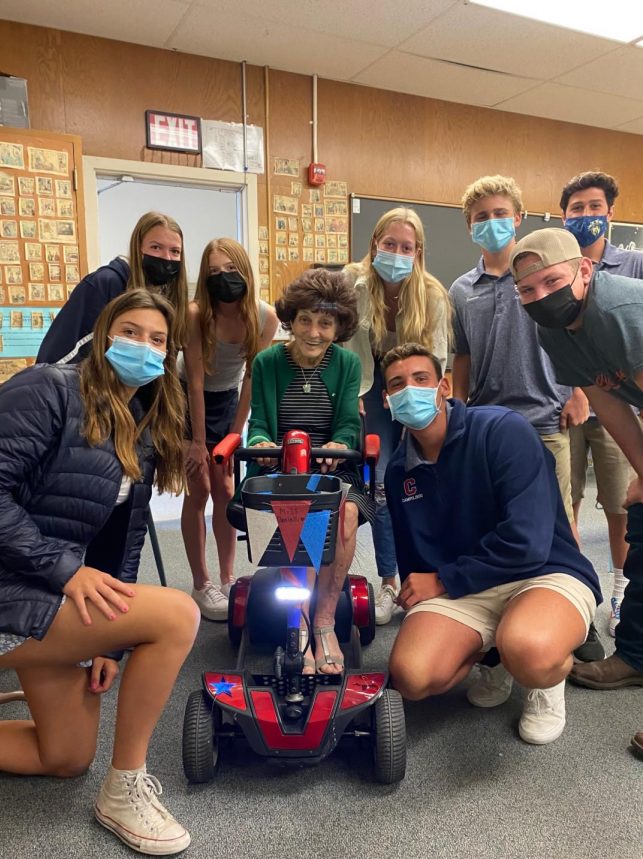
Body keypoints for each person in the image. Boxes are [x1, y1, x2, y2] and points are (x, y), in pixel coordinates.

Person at [0, 289, 200, 854]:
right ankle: (122, 794)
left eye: (157, 340)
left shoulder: (138, 423)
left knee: (64, 756)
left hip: (34, 591)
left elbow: (123, 538)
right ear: (102, 336)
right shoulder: (46, 388)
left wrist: (110, 645)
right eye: (130, 331)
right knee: (177, 616)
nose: (142, 347)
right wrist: (65, 571)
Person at [383, 343, 601, 745]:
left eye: (420, 379)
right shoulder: (399, 473)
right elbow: (417, 560)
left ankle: (542, 679)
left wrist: (445, 579)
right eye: (397, 384)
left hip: (542, 571)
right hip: (470, 588)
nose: (408, 390)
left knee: (530, 649)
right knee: (412, 676)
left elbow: (529, 542)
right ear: (387, 399)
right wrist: (425, 593)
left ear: (443, 387)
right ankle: (496, 656)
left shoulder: (502, 430)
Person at [449, 174, 601, 700]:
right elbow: (461, 355)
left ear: (518, 217)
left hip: (546, 419)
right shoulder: (460, 290)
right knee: (495, 530)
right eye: (479, 218)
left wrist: (577, 391)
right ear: (469, 228)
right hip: (488, 429)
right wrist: (461, 409)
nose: (491, 224)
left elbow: (570, 329)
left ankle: (569, 624)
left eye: (499, 214)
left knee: (562, 527)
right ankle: (497, 648)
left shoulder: (542, 276)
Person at [510, 227, 643, 755]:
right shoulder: (556, 328)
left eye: (552, 281)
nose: (541, 297)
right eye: (528, 291)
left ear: (585, 271)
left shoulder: (620, 314)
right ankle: (635, 654)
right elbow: (607, 402)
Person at [246, 268, 373, 674]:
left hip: (334, 472)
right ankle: (296, 621)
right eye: (305, 320)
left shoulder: (348, 363)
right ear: (291, 320)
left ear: (338, 327)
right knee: (296, 516)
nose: (314, 332)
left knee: (345, 515)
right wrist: (263, 442)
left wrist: (339, 443)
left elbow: (348, 426)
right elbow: (260, 421)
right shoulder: (267, 360)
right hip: (281, 470)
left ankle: (323, 621)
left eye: (325, 323)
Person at [344, 208, 450, 626]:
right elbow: (335, 341)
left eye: (407, 247)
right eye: (389, 244)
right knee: (382, 480)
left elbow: (438, 357)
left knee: (428, 477)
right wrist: (349, 392)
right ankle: (390, 582)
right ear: (374, 244)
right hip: (367, 388)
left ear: (418, 252)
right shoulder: (351, 283)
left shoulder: (433, 294)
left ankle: (437, 576)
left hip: (411, 385)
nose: (397, 253)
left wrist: (424, 402)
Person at [559, 171, 643, 638]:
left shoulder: (633, 266)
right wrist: (577, 390)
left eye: (595, 207)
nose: (587, 216)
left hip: (622, 410)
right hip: (568, 405)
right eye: (577, 209)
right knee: (566, 502)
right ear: (564, 216)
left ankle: (620, 589)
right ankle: (577, 591)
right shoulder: (555, 266)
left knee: (619, 503)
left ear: (611, 212)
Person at [182, 238, 278, 621]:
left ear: (245, 272)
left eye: (231, 271)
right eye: (214, 273)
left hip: (226, 401)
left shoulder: (264, 315)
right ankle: (200, 581)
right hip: (187, 401)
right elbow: (192, 381)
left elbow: (253, 378)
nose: (224, 279)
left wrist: (234, 436)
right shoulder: (194, 314)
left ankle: (226, 577)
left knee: (225, 489)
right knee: (201, 486)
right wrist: (198, 442)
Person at [36, 210, 189, 363]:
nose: (167, 258)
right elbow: (62, 354)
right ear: (138, 248)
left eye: (175, 251)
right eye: (156, 247)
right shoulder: (104, 284)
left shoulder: (169, 295)